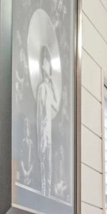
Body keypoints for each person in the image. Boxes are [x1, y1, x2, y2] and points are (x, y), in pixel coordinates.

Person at [35, 46, 60, 198]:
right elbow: (40, 113)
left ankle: (47, 195)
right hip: (43, 132)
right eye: (44, 63)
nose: (46, 66)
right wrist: (41, 134)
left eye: (48, 63)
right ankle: (43, 193)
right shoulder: (41, 89)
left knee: (49, 166)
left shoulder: (48, 90)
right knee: (43, 164)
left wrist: (52, 84)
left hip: (49, 133)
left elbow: (56, 105)